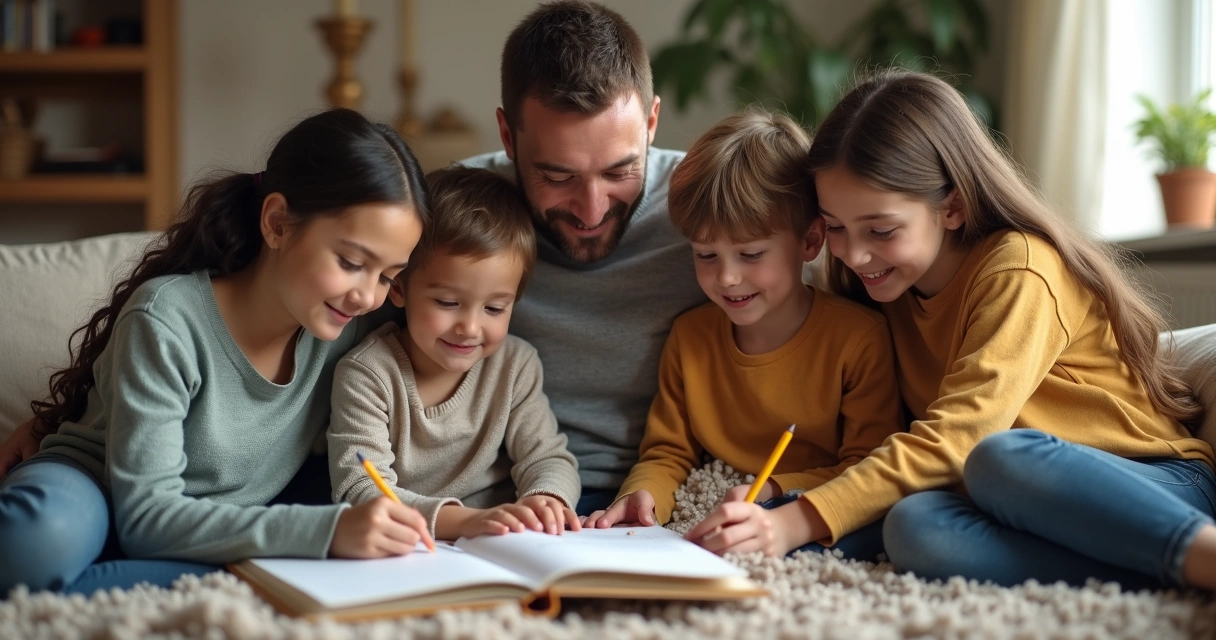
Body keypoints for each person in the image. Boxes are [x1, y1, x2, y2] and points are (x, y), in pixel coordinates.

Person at [685, 69, 1216, 591]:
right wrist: (781, 505)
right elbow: (886, 451)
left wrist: (795, 523)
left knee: (1001, 456)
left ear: (953, 207)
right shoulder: (882, 290)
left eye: (882, 230)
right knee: (914, 528)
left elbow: (961, 439)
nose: (854, 253)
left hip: (1152, 484)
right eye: (838, 228)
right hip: (996, 496)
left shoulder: (1018, 268)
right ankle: (1154, 570)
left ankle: (1196, 552)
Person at [0, 109, 435, 595]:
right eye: (352, 262)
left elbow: (468, 287)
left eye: (389, 276)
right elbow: (146, 516)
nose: (368, 295)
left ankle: (117, 582)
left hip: (223, 524)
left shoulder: (353, 325)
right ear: (277, 223)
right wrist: (324, 534)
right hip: (95, 494)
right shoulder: (167, 318)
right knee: (34, 543)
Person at [582, 111, 902, 561]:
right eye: (706, 254)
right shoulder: (691, 338)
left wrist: (773, 488)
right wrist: (643, 493)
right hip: (718, 506)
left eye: (751, 254)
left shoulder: (858, 340)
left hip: (807, 510)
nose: (727, 278)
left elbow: (868, 467)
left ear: (810, 241)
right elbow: (667, 451)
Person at [461, 0, 707, 515]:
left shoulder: (712, 211)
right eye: (557, 176)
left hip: (669, 496)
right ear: (508, 136)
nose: (592, 210)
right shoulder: (458, 215)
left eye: (620, 172)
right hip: (493, 502)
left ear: (652, 122)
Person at [327, 166, 582, 542]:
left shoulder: (515, 366)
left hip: (504, 540)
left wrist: (544, 498)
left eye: (494, 309)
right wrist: (464, 522)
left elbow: (548, 458)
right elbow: (362, 489)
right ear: (399, 288)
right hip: (409, 545)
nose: (470, 327)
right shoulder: (367, 375)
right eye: (447, 302)